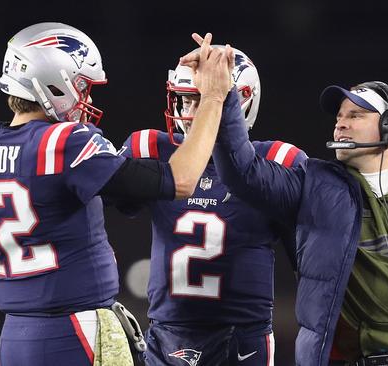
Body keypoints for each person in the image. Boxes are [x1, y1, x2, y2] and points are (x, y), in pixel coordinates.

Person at [181, 38, 388, 365]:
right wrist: (220, 97)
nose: (341, 122)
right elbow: (242, 171)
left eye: (355, 114)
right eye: (339, 115)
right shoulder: (312, 183)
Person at [0, 24, 233, 366]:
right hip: (75, 331)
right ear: (54, 81)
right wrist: (213, 97)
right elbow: (181, 180)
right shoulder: (63, 143)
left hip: (14, 336)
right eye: (83, 87)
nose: (88, 99)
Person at [114, 47, 307, 365]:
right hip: (167, 333)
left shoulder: (275, 162)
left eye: (200, 99)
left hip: (243, 337)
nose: (189, 111)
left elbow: (309, 261)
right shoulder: (151, 149)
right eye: (184, 99)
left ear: (241, 101)